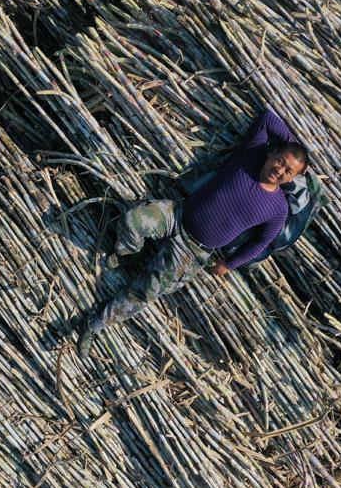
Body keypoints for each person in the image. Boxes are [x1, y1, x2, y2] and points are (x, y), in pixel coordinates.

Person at [77, 109, 309, 359]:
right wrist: (291, 143)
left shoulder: (278, 210)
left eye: (289, 171)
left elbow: (262, 242)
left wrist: (230, 264)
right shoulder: (250, 153)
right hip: (177, 213)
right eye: (281, 161)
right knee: (132, 221)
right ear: (272, 152)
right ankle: (127, 253)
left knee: (146, 291)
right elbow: (266, 117)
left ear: (293, 178)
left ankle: (94, 325)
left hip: (194, 252)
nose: (280, 169)